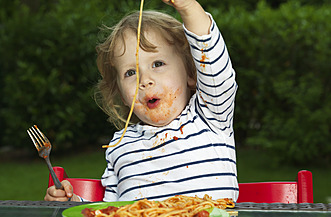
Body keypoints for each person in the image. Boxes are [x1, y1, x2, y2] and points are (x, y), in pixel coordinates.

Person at [44, 0, 239, 203]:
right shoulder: (120, 147)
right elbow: (111, 216)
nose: (144, 80)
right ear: (121, 93)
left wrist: (188, 7)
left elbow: (211, 56)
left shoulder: (210, 116)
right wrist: (70, 203)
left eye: (158, 63)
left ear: (191, 73)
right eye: (130, 73)